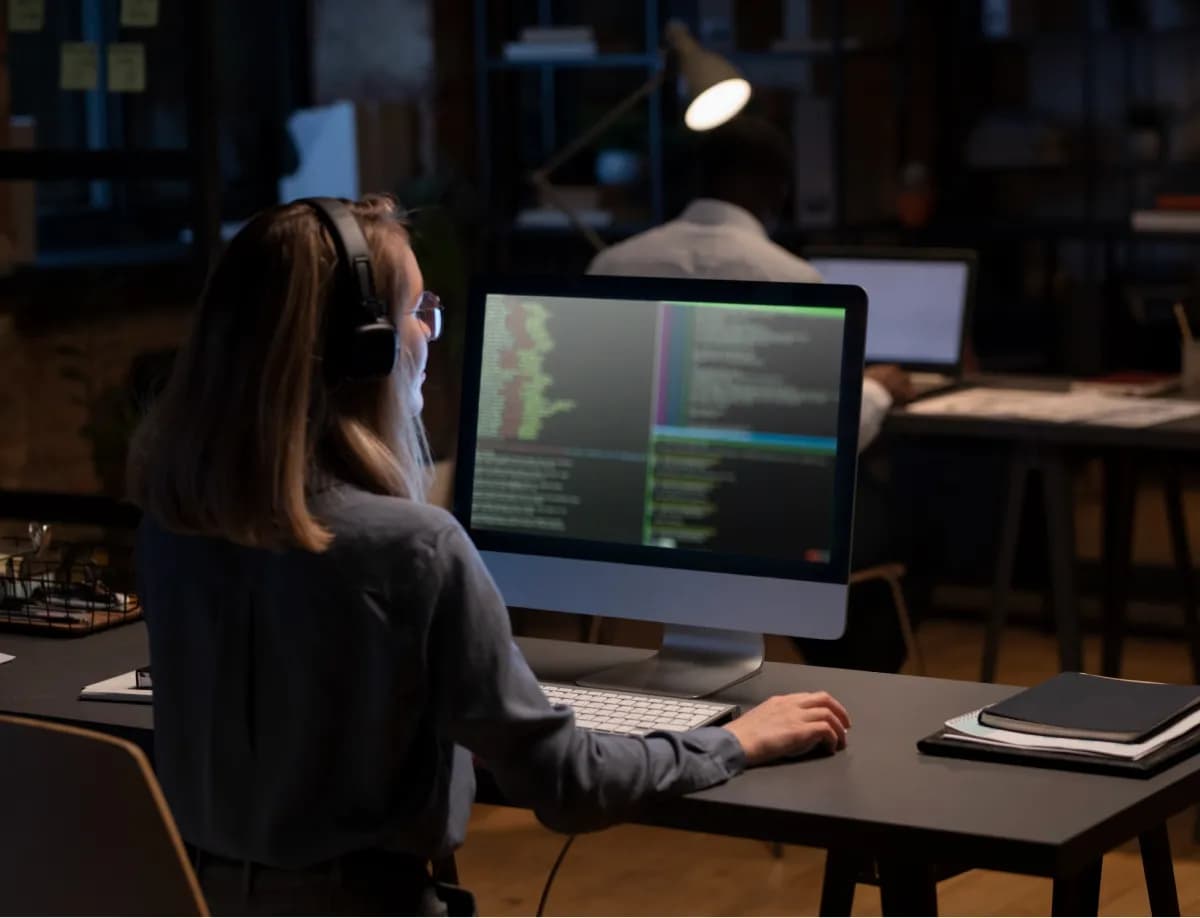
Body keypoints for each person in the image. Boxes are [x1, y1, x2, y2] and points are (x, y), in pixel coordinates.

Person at [127, 194, 852, 916]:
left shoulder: (173, 528)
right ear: (366, 345)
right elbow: (566, 784)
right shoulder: (416, 550)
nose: (430, 335)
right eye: (418, 311)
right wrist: (737, 741)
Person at [589, 115, 913, 672]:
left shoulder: (611, 264)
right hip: (749, 520)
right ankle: (861, 682)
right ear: (776, 190)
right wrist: (876, 392)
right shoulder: (793, 277)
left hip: (619, 509)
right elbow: (818, 440)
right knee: (890, 515)